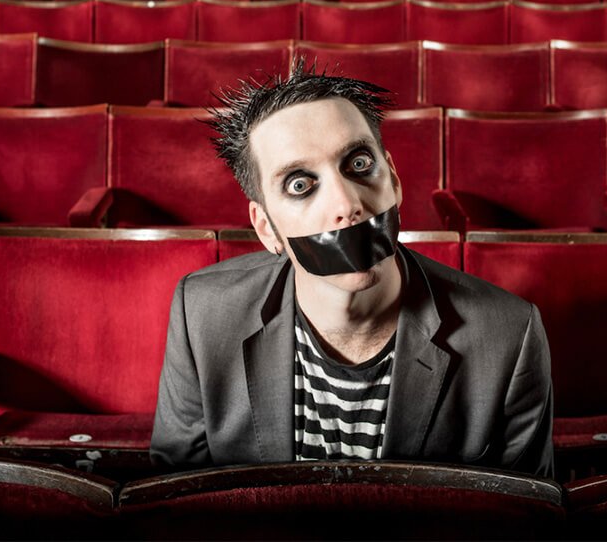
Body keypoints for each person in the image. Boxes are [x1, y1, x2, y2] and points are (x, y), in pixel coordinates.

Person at [150, 60, 554, 478]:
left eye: (359, 164)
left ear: (392, 179)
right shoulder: (202, 314)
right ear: (266, 227)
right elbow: (173, 497)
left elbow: (525, 508)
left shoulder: (510, 336)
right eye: (300, 185)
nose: (347, 205)